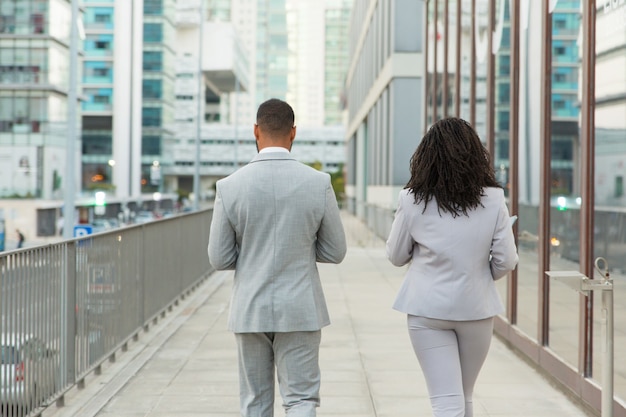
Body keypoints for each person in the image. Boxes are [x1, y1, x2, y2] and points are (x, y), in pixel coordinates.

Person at [208, 98, 347, 417]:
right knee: (301, 399)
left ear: (255, 131)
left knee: (255, 402)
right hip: (300, 307)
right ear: (293, 132)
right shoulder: (318, 183)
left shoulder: (229, 187)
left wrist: (251, 256)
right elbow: (335, 251)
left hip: (250, 308)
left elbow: (219, 257)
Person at [386, 117, 518, 417]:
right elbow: (507, 260)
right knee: (463, 397)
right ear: (475, 154)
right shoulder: (494, 199)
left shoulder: (411, 200)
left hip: (427, 310)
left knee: (447, 401)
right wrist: (481, 275)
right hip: (476, 308)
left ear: (427, 156)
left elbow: (395, 256)